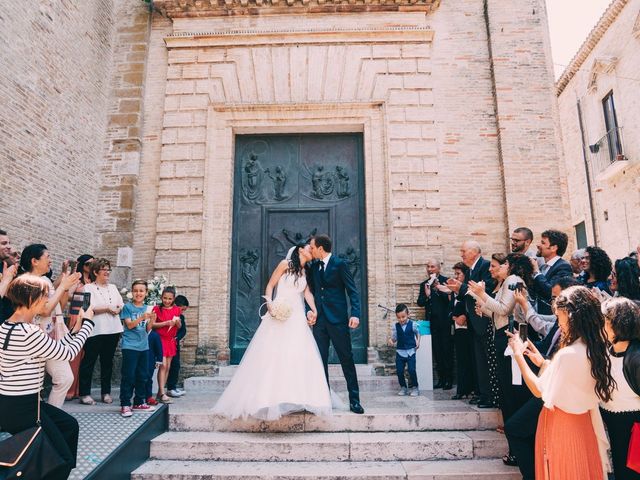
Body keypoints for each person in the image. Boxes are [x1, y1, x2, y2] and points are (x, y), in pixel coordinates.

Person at [213, 243, 332, 420]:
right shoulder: (285, 264)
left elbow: (307, 294)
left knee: (297, 354)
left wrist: (314, 310)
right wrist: (270, 304)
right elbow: (270, 285)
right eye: (308, 248)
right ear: (300, 250)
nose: (311, 251)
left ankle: (298, 397)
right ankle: (268, 397)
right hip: (279, 314)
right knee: (274, 354)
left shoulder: (305, 271)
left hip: (297, 317)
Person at [508, 286, 614, 480]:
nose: (559, 323)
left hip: (562, 427)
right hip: (584, 426)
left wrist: (518, 356)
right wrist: (543, 362)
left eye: (560, 317)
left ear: (571, 315)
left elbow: (539, 390)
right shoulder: (594, 347)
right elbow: (572, 379)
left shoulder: (568, 354)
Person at [0, 274, 94, 480]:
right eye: (44, 297)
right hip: (25, 408)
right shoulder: (28, 332)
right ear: (32, 299)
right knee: (60, 459)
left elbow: (57, 348)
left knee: (68, 426)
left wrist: (74, 329)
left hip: (14, 405)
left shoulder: (6, 327)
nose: (46, 302)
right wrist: (88, 324)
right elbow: (68, 354)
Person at [503, 276, 579, 479]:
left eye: (556, 298)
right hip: (553, 387)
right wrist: (531, 352)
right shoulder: (564, 325)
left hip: (557, 396)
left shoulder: (574, 341)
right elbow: (548, 355)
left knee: (516, 428)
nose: (552, 304)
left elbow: (542, 386)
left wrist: (519, 354)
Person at [307, 234, 364, 414]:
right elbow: (310, 291)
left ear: (321, 248)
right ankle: (324, 399)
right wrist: (309, 311)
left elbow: (352, 291)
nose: (311, 250)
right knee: (319, 361)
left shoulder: (340, 264)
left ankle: (354, 400)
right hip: (320, 321)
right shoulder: (313, 266)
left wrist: (355, 313)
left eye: (312, 247)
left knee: (346, 359)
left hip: (338, 320)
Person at [19, 244, 81, 408]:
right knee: (34, 386)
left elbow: (60, 303)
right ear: (34, 261)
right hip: (35, 338)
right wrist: (63, 286)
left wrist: (65, 287)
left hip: (53, 337)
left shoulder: (46, 280)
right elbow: (44, 311)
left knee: (65, 378)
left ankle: (52, 417)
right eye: (47, 257)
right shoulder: (27, 282)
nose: (51, 260)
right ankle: (36, 424)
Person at [446, 241, 496, 408]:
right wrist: (457, 290)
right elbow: (466, 294)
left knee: (485, 360)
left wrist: (460, 288)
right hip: (473, 322)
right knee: (478, 361)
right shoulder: (470, 270)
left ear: (474, 251)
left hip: (483, 320)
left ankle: (488, 396)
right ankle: (482, 393)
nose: (461, 254)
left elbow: (484, 291)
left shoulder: (486, 266)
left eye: (463, 251)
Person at [600, 297, 640, 480]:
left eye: (605, 322)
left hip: (633, 431)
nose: (601, 326)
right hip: (614, 427)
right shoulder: (607, 350)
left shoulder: (636, 359)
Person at [79, 258, 124, 405]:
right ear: (95, 271)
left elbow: (120, 304)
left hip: (113, 330)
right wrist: (106, 308)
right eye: (104, 269)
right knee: (89, 362)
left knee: (107, 362)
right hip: (94, 330)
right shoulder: (87, 288)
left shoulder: (113, 287)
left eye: (108, 269)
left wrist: (118, 309)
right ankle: (84, 393)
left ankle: (106, 392)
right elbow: (85, 308)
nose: (107, 272)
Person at [119, 280, 157, 417]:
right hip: (130, 346)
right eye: (136, 291)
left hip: (143, 347)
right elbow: (129, 325)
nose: (138, 293)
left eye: (141, 291)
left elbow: (147, 329)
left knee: (143, 375)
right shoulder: (127, 308)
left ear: (146, 293)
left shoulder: (148, 308)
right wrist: (142, 317)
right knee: (128, 375)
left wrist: (152, 320)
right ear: (132, 292)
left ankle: (139, 401)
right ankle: (125, 404)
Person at [417, 259, 452, 389]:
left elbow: (449, 301)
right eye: (428, 267)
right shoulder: (424, 284)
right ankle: (441, 379)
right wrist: (428, 295)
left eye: (432, 267)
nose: (430, 269)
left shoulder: (445, 281)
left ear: (438, 268)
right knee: (436, 351)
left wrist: (438, 288)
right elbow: (420, 302)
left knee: (446, 350)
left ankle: (449, 380)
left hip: (445, 322)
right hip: (432, 323)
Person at [65, 254, 94, 401]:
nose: (91, 267)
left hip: (90, 318)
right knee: (75, 355)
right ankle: (69, 390)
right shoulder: (77, 279)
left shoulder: (93, 281)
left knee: (85, 356)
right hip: (77, 317)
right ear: (83, 265)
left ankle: (78, 390)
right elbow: (68, 295)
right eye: (89, 264)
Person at [447, 262, 475, 400]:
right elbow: (450, 308)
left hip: (468, 330)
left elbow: (470, 307)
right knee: (460, 360)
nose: (456, 277)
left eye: (459, 274)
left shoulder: (467, 291)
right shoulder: (454, 291)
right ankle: (462, 389)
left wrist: (464, 316)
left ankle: (469, 389)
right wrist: (453, 316)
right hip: (457, 329)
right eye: (455, 274)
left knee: (468, 360)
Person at [530, 229, 573, 315]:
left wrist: (536, 272)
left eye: (543, 243)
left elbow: (551, 292)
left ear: (553, 248)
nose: (538, 245)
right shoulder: (543, 267)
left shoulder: (563, 267)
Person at [152, 286, 181, 404]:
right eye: (165, 298)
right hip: (160, 339)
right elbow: (152, 325)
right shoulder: (156, 309)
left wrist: (178, 323)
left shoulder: (177, 310)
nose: (167, 301)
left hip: (170, 340)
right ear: (161, 297)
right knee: (163, 366)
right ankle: (162, 393)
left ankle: (160, 392)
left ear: (173, 299)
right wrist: (165, 323)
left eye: (170, 299)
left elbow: (179, 327)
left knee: (168, 366)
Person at [388, 303, 420, 396]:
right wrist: (391, 340)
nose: (401, 319)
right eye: (399, 317)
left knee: (411, 370)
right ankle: (403, 387)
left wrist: (418, 341)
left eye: (403, 317)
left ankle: (415, 387)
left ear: (408, 315)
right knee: (399, 371)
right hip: (400, 352)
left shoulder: (413, 324)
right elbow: (394, 338)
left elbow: (418, 333)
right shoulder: (396, 326)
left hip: (411, 351)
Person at [167, 294, 189, 398]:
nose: (182, 312)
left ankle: (172, 387)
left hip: (174, 344)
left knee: (175, 365)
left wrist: (177, 338)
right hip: (164, 343)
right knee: (165, 366)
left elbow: (183, 330)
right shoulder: (166, 313)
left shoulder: (181, 317)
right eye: (182, 309)